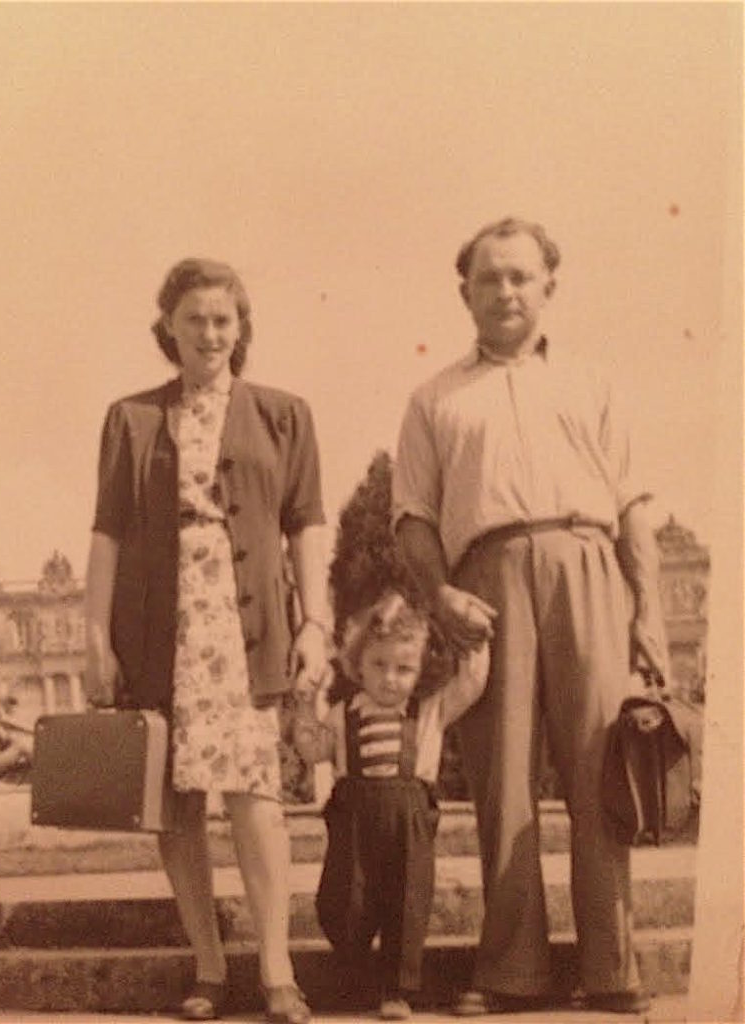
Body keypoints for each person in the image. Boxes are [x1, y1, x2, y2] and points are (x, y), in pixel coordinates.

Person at [392, 218, 669, 1016]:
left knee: (601, 774)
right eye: (490, 279)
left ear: (549, 284)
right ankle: (513, 970)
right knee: (503, 783)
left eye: (520, 276)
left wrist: (646, 611)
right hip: (486, 583)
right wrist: (441, 595)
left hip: (588, 566)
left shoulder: (594, 382)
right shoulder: (433, 397)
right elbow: (412, 516)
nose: (506, 291)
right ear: (465, 293)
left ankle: (612, 968)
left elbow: (632, 507)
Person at [84, 258, 329, 1024]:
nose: (211, 333)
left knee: (256, 796)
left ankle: (278, 971)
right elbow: (108, 535)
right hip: (160, 625)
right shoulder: (130, 418)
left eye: (224, 319)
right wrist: (95, 635)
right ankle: (210, 965)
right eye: (195, 319)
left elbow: (307, 525)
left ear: (241, 328)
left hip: (246, 622)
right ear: (169, 327)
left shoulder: (284, 414)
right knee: (177, 802)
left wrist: (315, 622)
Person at [293, 591, 490, 1021]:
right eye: (379, 665)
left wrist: (472, 631)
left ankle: (396, 989)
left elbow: (472, 682)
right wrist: (306, 704)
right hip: (354, 825)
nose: (389, 678)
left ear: (420, 670)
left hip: (409, 821)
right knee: (343, 901)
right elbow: (311, 749)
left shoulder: (428, 712)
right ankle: (355, 974)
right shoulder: (342, 714)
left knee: (408, 902)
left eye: (404, 668)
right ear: (358, 663)